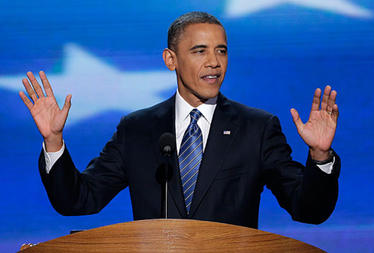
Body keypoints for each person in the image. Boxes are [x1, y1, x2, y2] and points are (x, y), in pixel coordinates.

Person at [19, 12, 340, 229]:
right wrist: (53, 141)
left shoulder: (257, 128)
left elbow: (308, 210)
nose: (214, 62)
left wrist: (320, 157)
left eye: (221, 50)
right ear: (170, 59)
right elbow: (78, 201)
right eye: (200, 51)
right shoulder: (138, 129)